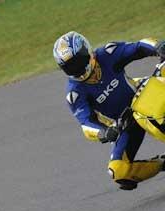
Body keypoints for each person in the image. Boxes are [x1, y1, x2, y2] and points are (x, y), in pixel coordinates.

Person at [53, 31, 165, 190]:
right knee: (118, 171)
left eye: (78, 61)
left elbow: (139, 47)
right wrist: (104, 132)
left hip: (143, 92)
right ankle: (161, 164)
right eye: (70, 66)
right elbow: (86, 124)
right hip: (125, 122)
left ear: (87, 51)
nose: (76, 68)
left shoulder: (107, 53)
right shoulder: (75, 93)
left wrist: (158, 46)